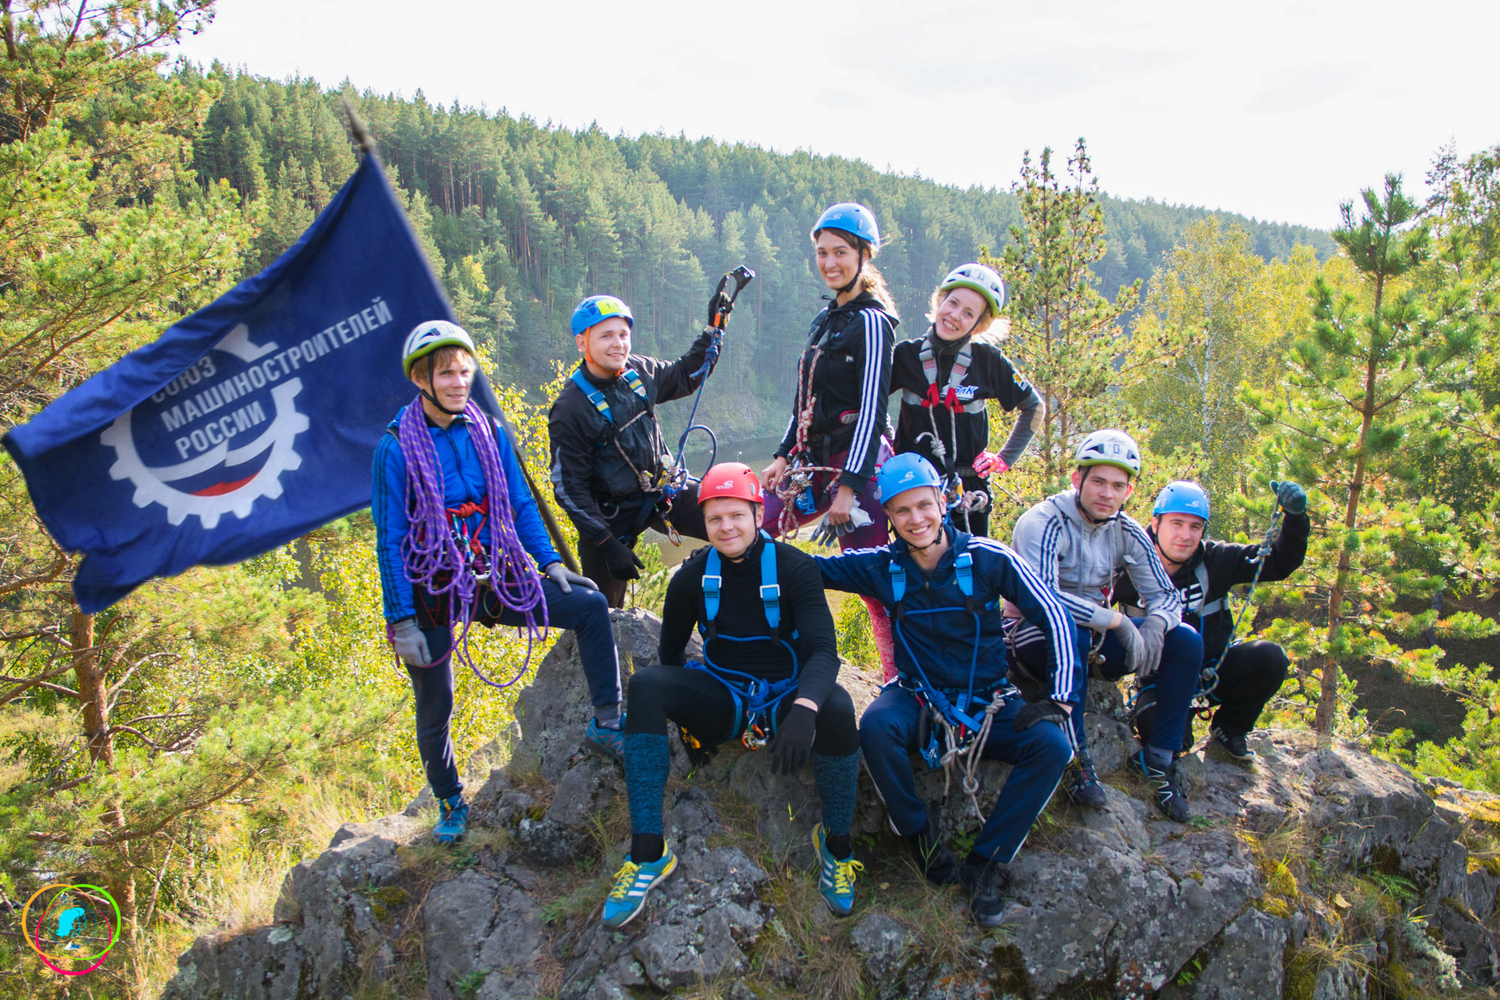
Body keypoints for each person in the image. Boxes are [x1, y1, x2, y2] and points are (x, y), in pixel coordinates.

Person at [375, 320, 621, 844]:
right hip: (435, 587)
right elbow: (391, 541)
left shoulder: (488, 431)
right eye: (446, 374)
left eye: (465, 371)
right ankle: (448, 801)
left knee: (590, 606)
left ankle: (607, 721)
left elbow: (520, 503)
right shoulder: (395, 449)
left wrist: (551, 564)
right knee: (435, 701)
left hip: (496, 575)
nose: (459, 382)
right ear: (422, 378)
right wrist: (401, 621)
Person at [816, 454, 1084, 926]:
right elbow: (810, 569)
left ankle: (986, 862)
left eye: (924, 505)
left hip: (988, 701)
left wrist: (1060, 700)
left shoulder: (987, 558)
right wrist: (736, 545)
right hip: (918, 698)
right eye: (901, 511)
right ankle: (920, 838)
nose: (915, 519)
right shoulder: (882, 565)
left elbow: (1055, 615)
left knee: (1052, 747)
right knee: (877, 726)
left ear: (943, 502)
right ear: (890, 518)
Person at [602, 463, 862, 928]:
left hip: (785, 698)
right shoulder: (692, 578)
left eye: (736, 515)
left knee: (838, 706)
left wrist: (804, 710)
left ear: (758, 514)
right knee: (645, 686)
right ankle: (647, 853)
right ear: (703, 523)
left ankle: (836, 847)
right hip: (725, 698)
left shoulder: (795, 569)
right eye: (715, 519)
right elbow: (671, 657)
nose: (726, 527)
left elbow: (824, 652)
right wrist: (689, 718)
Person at [1007, 429, 1203, 822]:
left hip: (1093, 641)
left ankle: (1158, 759)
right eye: (1098, 481)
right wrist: (1115, 620)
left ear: (1129, 491)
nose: (1107, 493)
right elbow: (1040, 597)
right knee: (1071, 632)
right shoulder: (1042, 521)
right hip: (1029, 639)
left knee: (1185, 640)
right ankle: (1076, 758)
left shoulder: (1125, 530)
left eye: (1118, 485)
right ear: (1077, 479)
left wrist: (1154, 626)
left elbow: (1166, 597)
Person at [761, 202, 899, 678]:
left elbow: (873, 410)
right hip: (810, 462)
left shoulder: (873, 323)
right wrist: (782, 454)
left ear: (864, 255)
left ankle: (898, 680)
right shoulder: (826, 320)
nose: (829, 263)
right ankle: (768, 651)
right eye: (822, 253)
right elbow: (805, 399)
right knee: (754, 532)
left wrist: (848, 488)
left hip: (858, 469)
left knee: (871, 581)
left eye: (840, 252)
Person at [548, 293, 722, 608]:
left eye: (623, 335)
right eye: (606, 336)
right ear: (582, 343)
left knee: (732, 523)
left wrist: (713, 330)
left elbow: (686, 375)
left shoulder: (637, 372)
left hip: (661, 493)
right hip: (608, 517)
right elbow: (568, 486)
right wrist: (605, 541)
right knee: (601, 609)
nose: (618, 344)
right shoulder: (571, 409)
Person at [1117, 479, 1309, 761]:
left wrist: (1295, 518)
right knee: (1170, 741)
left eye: (1195, 527)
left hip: (1215, 670)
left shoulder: (1216, 560)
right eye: (1177, 523)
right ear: (1156, 525)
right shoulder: (1127, 565)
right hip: (1161, 679)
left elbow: (1280, 562)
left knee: (1270, 658)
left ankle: (1231, 728)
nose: (1185, 535)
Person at [892, 263, 1042, 536]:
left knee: (970, 571)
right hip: (912, 489)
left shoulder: (989, 361)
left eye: (968, 313)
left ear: (979, 324)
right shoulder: (905, 356)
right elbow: (867, 404)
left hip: (968, 494)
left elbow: (1034, 407)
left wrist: (1004, 458)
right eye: (952, 303)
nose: (954, 315)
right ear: (940, 301)